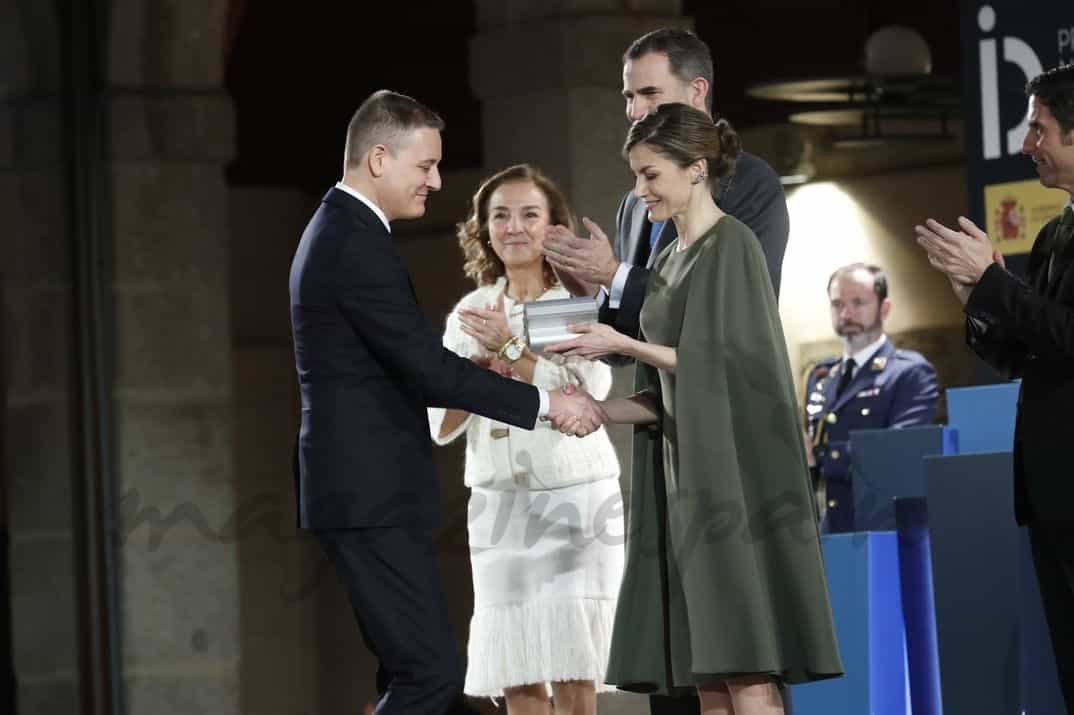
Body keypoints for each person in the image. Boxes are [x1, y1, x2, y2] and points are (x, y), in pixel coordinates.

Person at [288, 90, 605, 715]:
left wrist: (515, 367)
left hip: (553, 499)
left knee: (431, 676)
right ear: (379, 158)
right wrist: (540, 399)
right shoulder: (357, 243)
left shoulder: (346, 231)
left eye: (529, 214)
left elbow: (592, 390)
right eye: (425, 166)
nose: (435, 180)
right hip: (387, 493)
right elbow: (434, 384)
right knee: (433, 678)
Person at [551, 103, 842, 715]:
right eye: (636, 175)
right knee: (708, 676)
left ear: (696, 169)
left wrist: (623, 342)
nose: (640, 190)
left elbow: (729, 365)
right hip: (683, 483)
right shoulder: (665, 258)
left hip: (735, 477)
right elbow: (665, 393)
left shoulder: (732, 246)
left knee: (746, 668)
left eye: (651, 175)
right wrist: (600, 409)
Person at [427, 164, 625, 714]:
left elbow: (588, 397)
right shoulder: (470, 312)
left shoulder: (570, 302)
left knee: (571, 667)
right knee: (516, 667)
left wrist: (513, 351)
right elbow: (440, 425)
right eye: (500, 215)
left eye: (529, 214)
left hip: (571, 498)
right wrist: (476, 368)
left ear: (552, 227)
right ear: (484, 228)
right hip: (498, 507)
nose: (514, 227)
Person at [915, 63, 1074, 712]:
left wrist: (996, 285)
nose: (1025, 142)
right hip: (1051, 492)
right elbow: (1030, 350)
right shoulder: (1055, 232)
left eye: (1038, 128)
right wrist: (977, 297)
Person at [543, 27, 790, 354]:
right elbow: (623, 346)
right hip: (658, 399)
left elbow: (731, 320)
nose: (634, 111)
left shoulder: (749, 182)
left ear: (697, 91)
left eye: (649, 93)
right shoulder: (633, 206)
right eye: (629, 96)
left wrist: (614, 274)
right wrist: (584, 289)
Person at [804, 263, 939, 533]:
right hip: (829, 530)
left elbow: (898, 453)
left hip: (884, 529)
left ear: (884, 308)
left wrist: (822, 455)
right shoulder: (820, 376)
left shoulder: (909, 373)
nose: (846, 313)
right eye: (837, 304)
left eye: (858, 302)